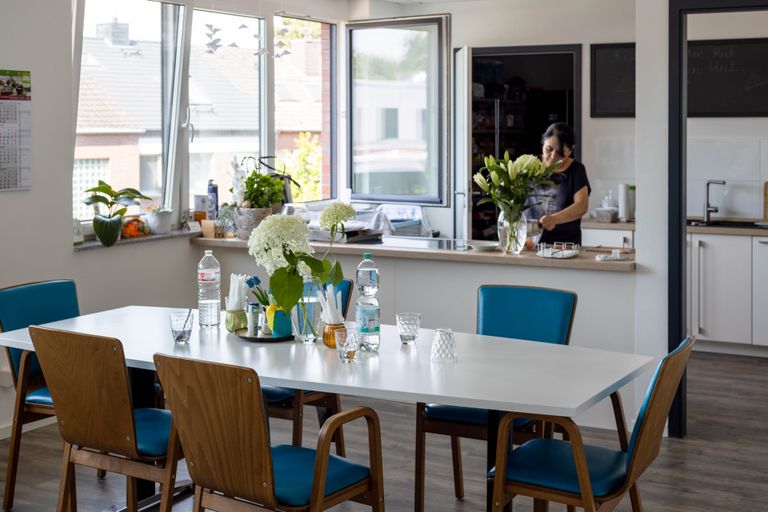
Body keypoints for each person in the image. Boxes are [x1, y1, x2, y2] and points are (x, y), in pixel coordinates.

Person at [528, 122, 591, 245]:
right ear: (543, 143)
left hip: (565, 247)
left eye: (560, 153)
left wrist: (554, 219)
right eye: (549, 149)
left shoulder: (576, 170)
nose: (552, 157)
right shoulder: (529, 165)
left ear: (571, 150)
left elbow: (582, 206)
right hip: (529, 244)